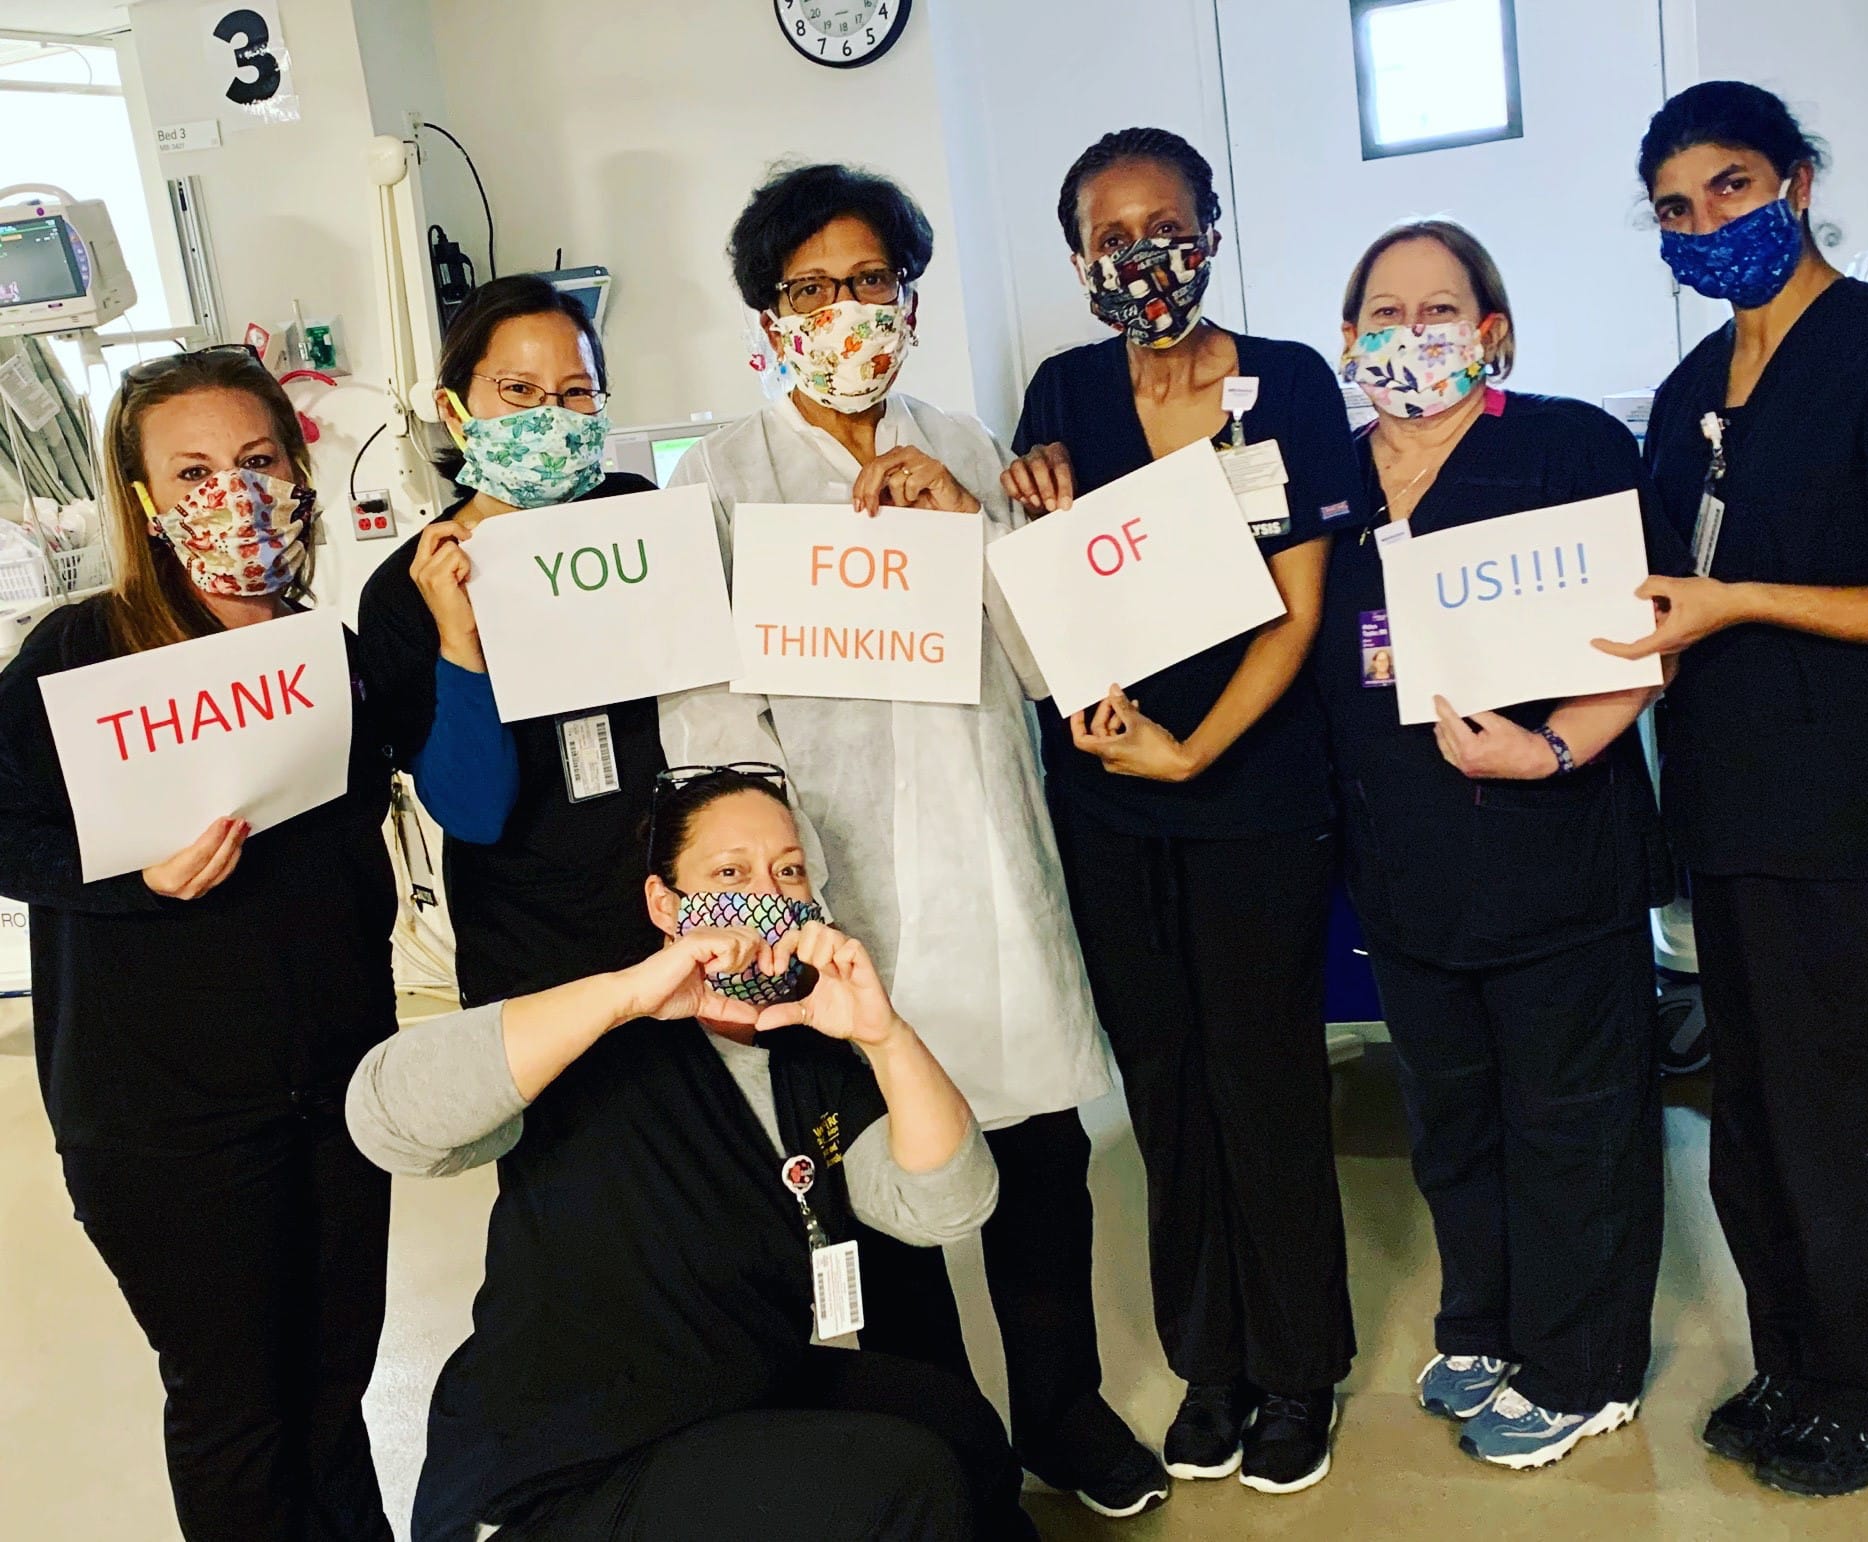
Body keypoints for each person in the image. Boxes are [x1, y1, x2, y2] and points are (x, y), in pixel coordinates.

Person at [659, 161, 1153, 1518]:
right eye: (811, 288)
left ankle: (1061, 1408)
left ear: (909, 300)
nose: (845, 309)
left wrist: (971, 524)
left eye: (869, 280)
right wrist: (755, 928)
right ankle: (947, 1440)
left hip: (988, 862)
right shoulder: (720, 477)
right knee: (886, 1183)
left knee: (1042, 1165)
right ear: (770, 318)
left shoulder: (970, 443)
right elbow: (709, 723)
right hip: (838, 887)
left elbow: (1058, 666)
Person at [1603, 81, 1868, 1497]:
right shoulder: (1678, 400)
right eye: (1673, 208)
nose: (1702, 223)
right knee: (1758, 1109)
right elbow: (1653, 598)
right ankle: (1787, 1355)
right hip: (1726, 810)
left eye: (1727, 188)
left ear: (1792, 178)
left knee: (1866, 1110)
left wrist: (1747, 604)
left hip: (1859, 811)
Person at [347, 765, 1033, 1541]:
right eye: (730, 872)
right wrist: (625, 997)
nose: (764, 892)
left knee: (955, 1425)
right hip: (563, 1459)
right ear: (664, 905)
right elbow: (385, 1118)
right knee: (905, 1485)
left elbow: (947, 1205)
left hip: (729, 1395)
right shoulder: (588, 1031)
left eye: (788, 871)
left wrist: (886, 1037)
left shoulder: (812, 1060)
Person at [1003, 127, 1363, 1496]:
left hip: (1252, 794)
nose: (1137, 255)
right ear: (1079, 259)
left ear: (1210, 226)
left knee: (1261, 1076)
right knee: (1161, 1082)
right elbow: (1053, 578)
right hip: (1110, 806)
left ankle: (1298, 1370)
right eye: (1108, 235)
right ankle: (1209, 1362)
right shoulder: (1063, 391)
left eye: (1162, 224)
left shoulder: (1288, 386)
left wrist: (1194, 748)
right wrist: (1027, 493)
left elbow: (1300, 604)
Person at [0, 346, 398, 1540]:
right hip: (161, 1120)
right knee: (235, 1406)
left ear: (296, 468)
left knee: (334, 1389)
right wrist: (124, 874)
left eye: (255, 460)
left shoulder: (327, 657)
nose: (232, 493)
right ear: (143, 502)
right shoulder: (78, 657)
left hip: (333, 1092)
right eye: (193, 472)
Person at [1315, 220, 1670, 1471]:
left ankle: (1586, 1366)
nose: (1408, 337)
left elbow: (1650, 636)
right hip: (1403, 866)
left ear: (1492, 333)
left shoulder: (1565, 447)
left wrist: (1556, 749)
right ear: (1347, 339)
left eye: (1438, 310)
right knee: (1451, 1115)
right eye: (1380, 314)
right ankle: (1486, 1319)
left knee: (1572, 1115)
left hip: (1551, 837)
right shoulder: (1331, 481)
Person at [355, 275, 659, 1008]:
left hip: (675, 912)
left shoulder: (639, 518)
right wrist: (461, 646)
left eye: (576, 392)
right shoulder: (406, 589)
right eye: (517, 391)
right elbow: (471, 811)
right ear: (454, 411)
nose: (549, 417)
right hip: (532, 947)